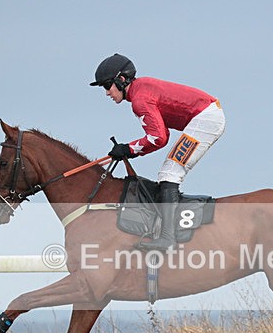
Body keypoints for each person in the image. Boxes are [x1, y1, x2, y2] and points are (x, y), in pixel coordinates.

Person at [90, 53, 225, 251]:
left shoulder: (140, 99)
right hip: (206, 115)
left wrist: (128, 149)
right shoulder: (140, 90)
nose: (107, 93)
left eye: (106, 86)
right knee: (169, 172)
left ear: (120, 80)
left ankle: (168, 239)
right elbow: (163, 134)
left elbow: (158, 138)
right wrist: (130, 149)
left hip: (206, 118)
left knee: (169, 173)